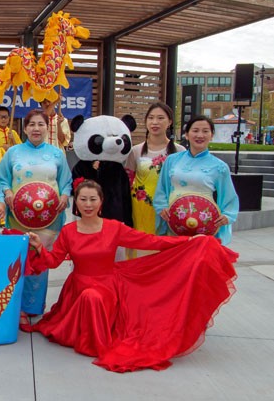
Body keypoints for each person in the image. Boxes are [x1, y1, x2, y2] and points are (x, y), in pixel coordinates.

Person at [25, 179, 238, 372]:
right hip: (77, 288)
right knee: (89, 296)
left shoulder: (114, 227)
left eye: (93, 199)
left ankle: (96, 342)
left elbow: (152, 242)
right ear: (76, 203)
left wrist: (188, 242)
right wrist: (38, 248)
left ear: (101, 202)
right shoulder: (69, 231)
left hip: (107, 286)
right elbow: (53, 261)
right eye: (83, 199)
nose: (88, 204)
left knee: (94, 297)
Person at [0, 109, 71, 324]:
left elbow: (66, 180)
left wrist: (65, 195)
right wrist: (8, 192)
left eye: (40, 124)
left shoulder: (57, 153)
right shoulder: (13, 153)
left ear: (47, 128)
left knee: (41, 259)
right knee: (20, 259)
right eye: (32, 125)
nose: (36, 128)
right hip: (18, 216)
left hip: (48, 217)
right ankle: (17, 306)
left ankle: (35, 306)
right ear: (25, 128)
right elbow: (2, 178)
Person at [154, 115, 239, 246]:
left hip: (204, 226)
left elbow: (229, 197)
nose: (200, 135)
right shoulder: (172, 160)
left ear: (211, 135)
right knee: (175, 262)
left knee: (196, 263)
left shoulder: (219, 166)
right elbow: (162, 189)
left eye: (205, 131)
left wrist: (227, 215)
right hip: (174, 222)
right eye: (195, 131)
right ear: (187, 135)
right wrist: (162, 207)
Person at [125, 102, 185, 259]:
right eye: (151, 118)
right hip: (140, 209)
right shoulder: (136, 151)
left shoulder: (179, 152)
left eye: (160, 118)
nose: (155, 122)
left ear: (170, 121)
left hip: (167, 209)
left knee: (164, 253)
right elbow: (128, 179)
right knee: (141, 251)